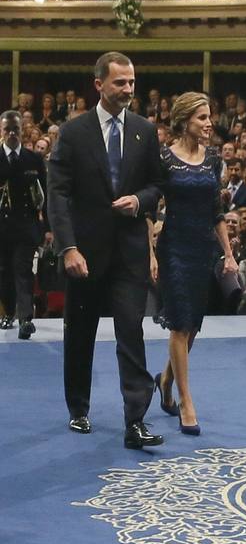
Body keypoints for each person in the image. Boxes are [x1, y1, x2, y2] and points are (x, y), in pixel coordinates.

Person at [46, 52, 166, 448]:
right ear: (99, 84)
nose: (129, 90)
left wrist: (139, 201)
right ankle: (78, 408)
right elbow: (59, 196)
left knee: (131, 331)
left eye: (132, 82)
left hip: (130, 251)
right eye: (120, 83)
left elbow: (156, 186)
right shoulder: (74, 132)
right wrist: (68, 248)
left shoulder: (144, 131)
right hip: (85, 253)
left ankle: (136, 421)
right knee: (80, 334)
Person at [149, 92, 236, 437]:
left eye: (209, 117)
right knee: (180, 325)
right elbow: (151, 207)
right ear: (184, 119)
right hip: (174, 248)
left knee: (193, 325)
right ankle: (186, 400)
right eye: (202, 117)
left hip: (204, 249)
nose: (209, 123)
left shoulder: (213, 159)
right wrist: (150, 252)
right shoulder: (165, 159)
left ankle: (167, 379)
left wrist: (228, 254)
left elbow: (217, 211)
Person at [0, 110, 46, 339]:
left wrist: (47, 229)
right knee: (4, 272)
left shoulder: (33, 159)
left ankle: (26, 319)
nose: (11, 134)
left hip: (26, 227)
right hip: (1, 227)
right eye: (7, 129)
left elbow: (45, 196)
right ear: (1, 131)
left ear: (22, 130)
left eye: (15, 129)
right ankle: (8, 313)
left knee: (23, 271)